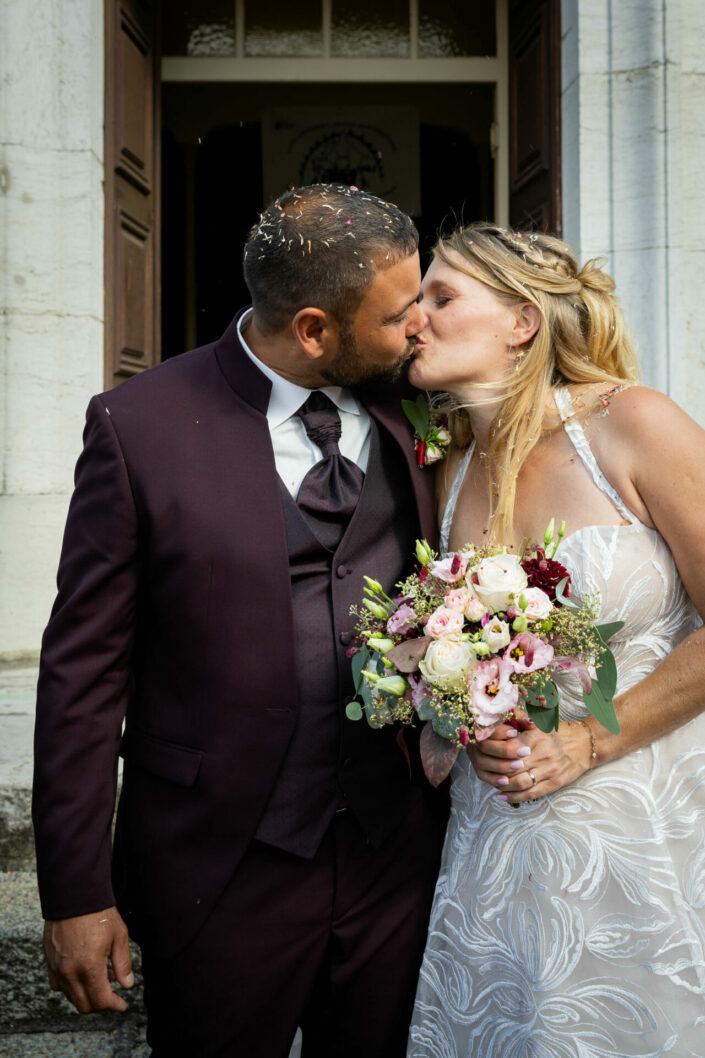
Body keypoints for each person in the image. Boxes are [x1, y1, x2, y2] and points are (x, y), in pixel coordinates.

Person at [32, 183, 448, 1058]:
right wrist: (75, 891)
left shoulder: (420, 403)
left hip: (393, 854)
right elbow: (82, 674)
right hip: (219, 866)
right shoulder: (136, 426)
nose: (420, 326)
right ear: (311, 329)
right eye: (397, 313)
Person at [405, 223, 705, 1056]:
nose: (414, 317)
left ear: (521, 321)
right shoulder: (448, 467)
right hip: (496, 836)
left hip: (643, 825)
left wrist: (588, 741)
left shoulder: (630, 425)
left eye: (441, 296)